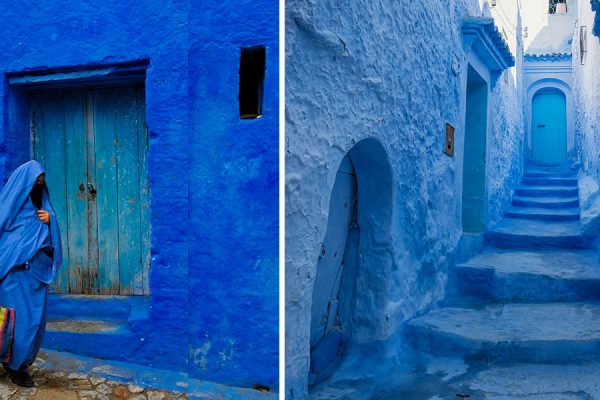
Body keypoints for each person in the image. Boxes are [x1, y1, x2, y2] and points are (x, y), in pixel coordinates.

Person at [0, 160, 62, 387]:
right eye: (36, 181)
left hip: (36, 277)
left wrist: (51, 221)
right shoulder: (9, 214)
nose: (40, 185)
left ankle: (21, 363)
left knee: (33, 323)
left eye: (42, 181)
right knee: (14, 322)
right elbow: (6, 244)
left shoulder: (44, 211)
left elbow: (52, 243)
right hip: (13, 278)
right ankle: (14, 366)